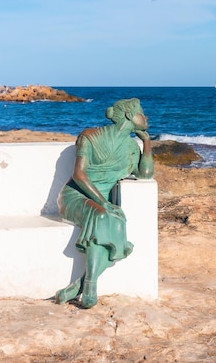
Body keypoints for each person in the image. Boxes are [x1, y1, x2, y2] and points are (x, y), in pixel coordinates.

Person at [55, 98, 154, 308]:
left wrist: (146, 142)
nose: (146, 117)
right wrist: (104, 203)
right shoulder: (89, 136)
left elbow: (145, 174)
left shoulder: (131, 147)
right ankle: (90, 288)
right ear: (128, 115)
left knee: (116, 222)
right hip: (77, 195)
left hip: (101, 201)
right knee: (102, 215)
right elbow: (79, 175)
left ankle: (79, 285)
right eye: (142, 113)